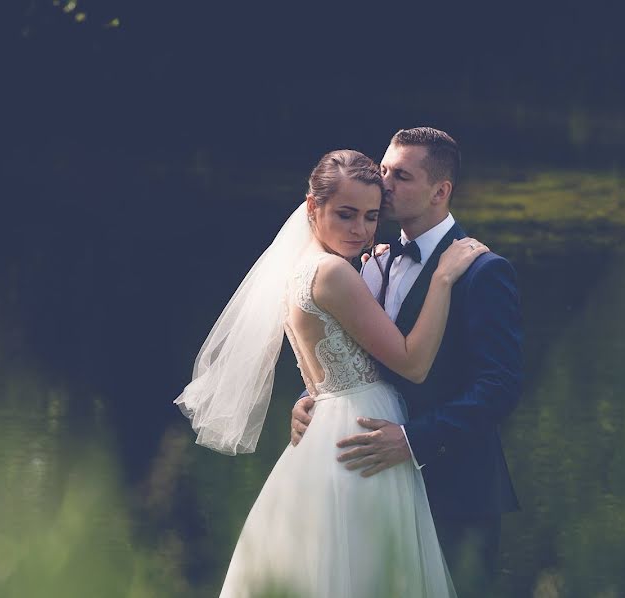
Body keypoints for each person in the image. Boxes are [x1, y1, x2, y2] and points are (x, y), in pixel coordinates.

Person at [175, 148, 488, 597]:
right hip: (363, 429)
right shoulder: (333, 274)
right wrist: (441, 279)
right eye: (345, 215)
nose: (359, 231)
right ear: (311, 207)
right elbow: (413, 363)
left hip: (330, 425)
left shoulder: (306, 266)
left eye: (370, 217)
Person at [291, 128, 522, 596]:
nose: (385, 183)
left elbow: (499, 387)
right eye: (384, 170)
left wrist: (413, 440)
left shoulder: (481, 270)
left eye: (402, 176)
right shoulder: (366, 258)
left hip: (455, 491)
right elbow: (353, 352)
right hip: (371, 483)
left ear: (441, 191)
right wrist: (311, 398)